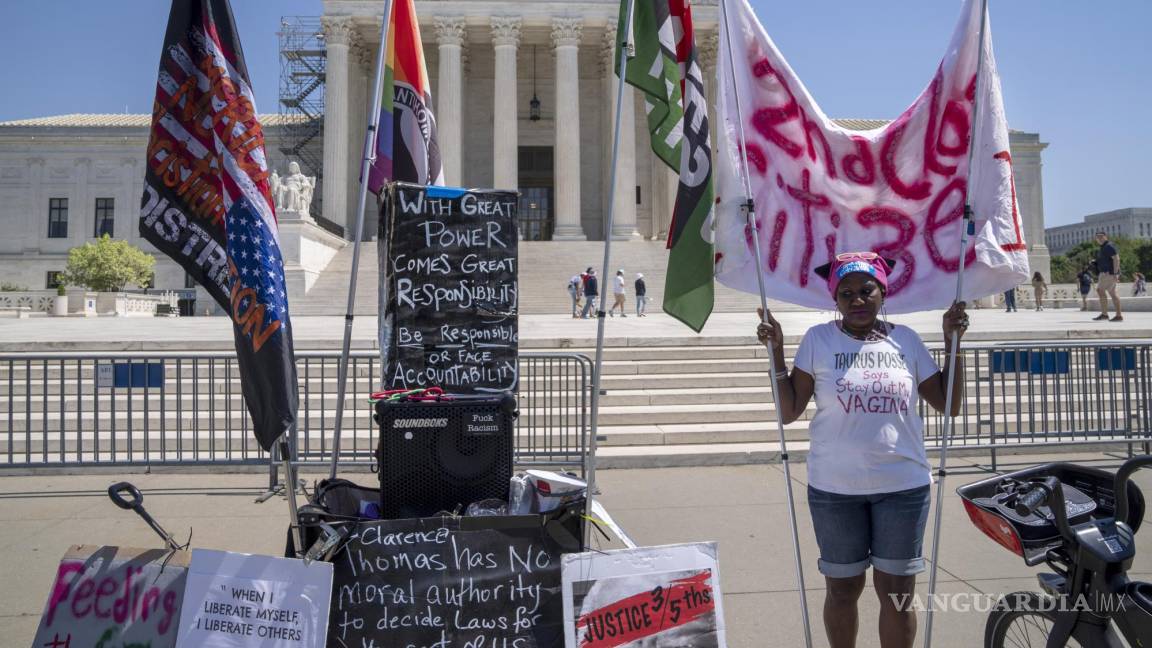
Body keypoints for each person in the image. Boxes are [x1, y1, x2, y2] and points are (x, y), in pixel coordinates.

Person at [755, 252, 968, 648]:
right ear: (834, 299)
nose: (856, 299)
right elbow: (789, 411)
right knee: (842, 588)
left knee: (897, 594)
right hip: (835, 489)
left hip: (903, 487)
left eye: (865, 290)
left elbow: (947, 403)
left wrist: (953, 343)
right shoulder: (818, 340)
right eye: (846, 292)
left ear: (882, 292)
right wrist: (778, 353)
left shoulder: (905, 339)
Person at [1093, 230, 1123, 321]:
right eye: (1097, 237)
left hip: (1108, 273)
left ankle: (1106, 314)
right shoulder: (1103, 247)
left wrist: (1115, 272)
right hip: (1106, 273)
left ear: (1106, 236)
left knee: (1100, 290)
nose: (1099, 238)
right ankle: (1117, 315)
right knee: (1112, 293)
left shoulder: (1108, 246)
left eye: (1101, 236)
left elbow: (1116, 258)